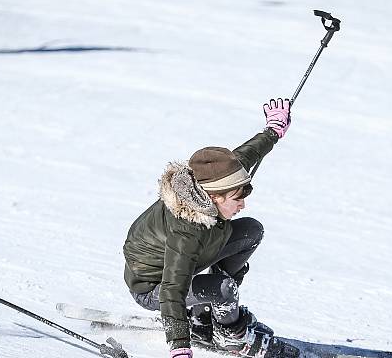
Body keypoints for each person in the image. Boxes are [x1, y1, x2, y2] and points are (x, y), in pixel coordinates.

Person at [123, 98, 292, 358]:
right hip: (154, 286)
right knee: (223, 288)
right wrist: (179, 345)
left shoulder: (211, 182)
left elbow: (246, 155)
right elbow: (172, 289)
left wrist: (273, 130)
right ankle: (230, 334)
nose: (243, 204)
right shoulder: (186, 232)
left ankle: (204, 318)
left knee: (251, 231)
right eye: (238, 198)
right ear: (215, 197)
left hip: (191, 260)